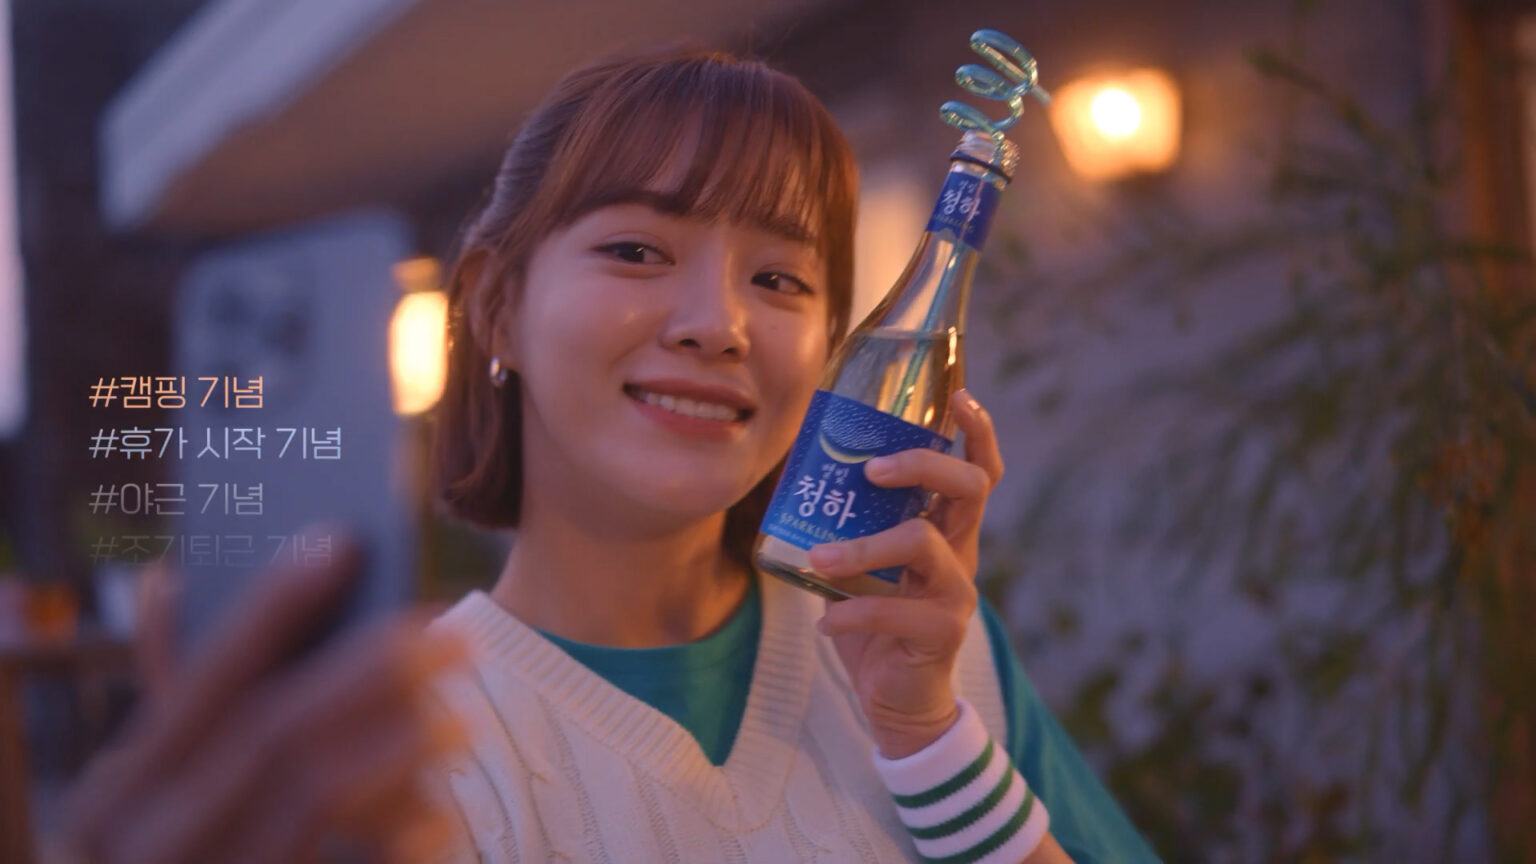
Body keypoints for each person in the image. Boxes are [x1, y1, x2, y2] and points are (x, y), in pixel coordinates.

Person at [63, 47, 1159, 864]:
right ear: (496, 307)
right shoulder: (398, 747)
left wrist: (928, 742)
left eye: (780, 279)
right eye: (636, 249)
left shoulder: (924, 653)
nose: (717, 325)